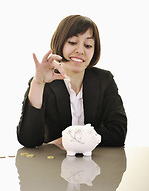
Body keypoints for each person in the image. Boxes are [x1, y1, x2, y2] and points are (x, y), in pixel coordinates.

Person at [17, 15, 127, 148]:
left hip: (95, 164)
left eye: (87, 45)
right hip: (52, 165)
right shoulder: (42, 82)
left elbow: (118, 133)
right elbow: (29, 140)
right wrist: (38, 83)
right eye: (73, 42)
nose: (80, 50)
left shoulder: (104, 80)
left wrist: (69, 140)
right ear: (60, 43)